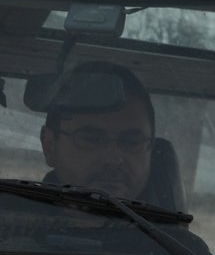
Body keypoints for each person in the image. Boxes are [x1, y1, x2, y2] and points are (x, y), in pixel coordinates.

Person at [39, 61, 162, 203]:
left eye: (132, 143)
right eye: (92, 139)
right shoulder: (13, 222)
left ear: (151, 150)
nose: (114, 160)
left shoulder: (167, 225)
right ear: (50, 146)